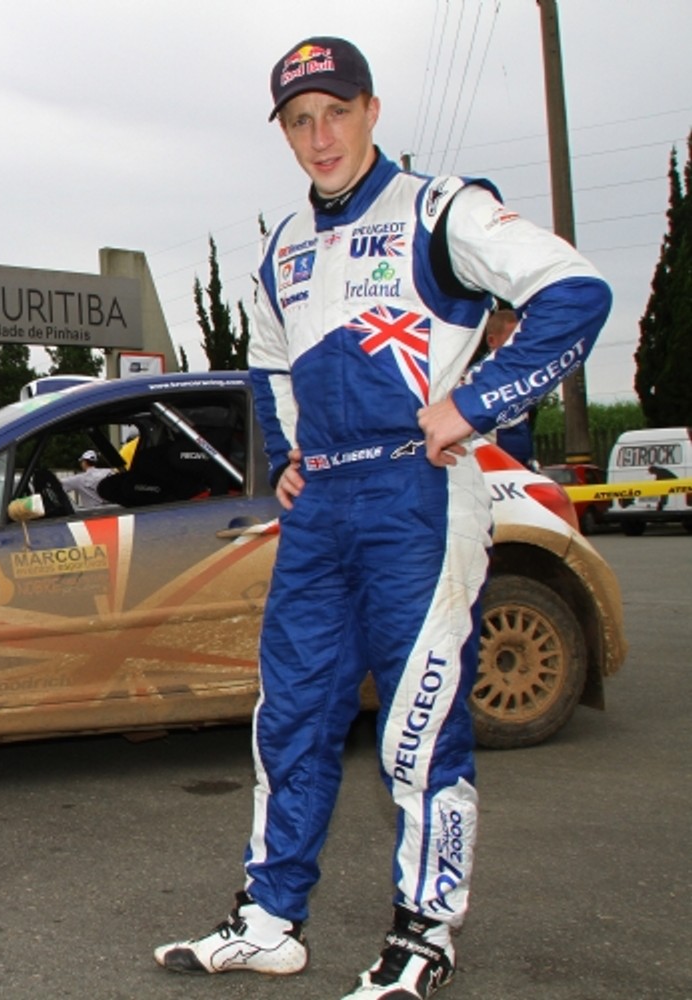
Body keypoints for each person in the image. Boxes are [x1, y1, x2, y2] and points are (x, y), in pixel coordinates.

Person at [151, 36, 610, 1000]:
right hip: (322, 509)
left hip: (420, 493)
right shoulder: (282, 248)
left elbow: (576, 292)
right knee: (292, 718)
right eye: (299, 120)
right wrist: (285, 462)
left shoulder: (442, 209)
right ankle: (272, 920)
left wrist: (476, 404)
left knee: (418, 727)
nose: (320, 137)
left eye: (336, 112)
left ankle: (424, 936)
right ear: (283, 130)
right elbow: (270, 360)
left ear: (371, 111)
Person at [481, 308, 536, 467]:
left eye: (522, 337)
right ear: (492, 341)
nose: (519, 344)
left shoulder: (524, 377)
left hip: (521, 463)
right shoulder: (478, 378)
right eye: (513, 338)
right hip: (494, 466)